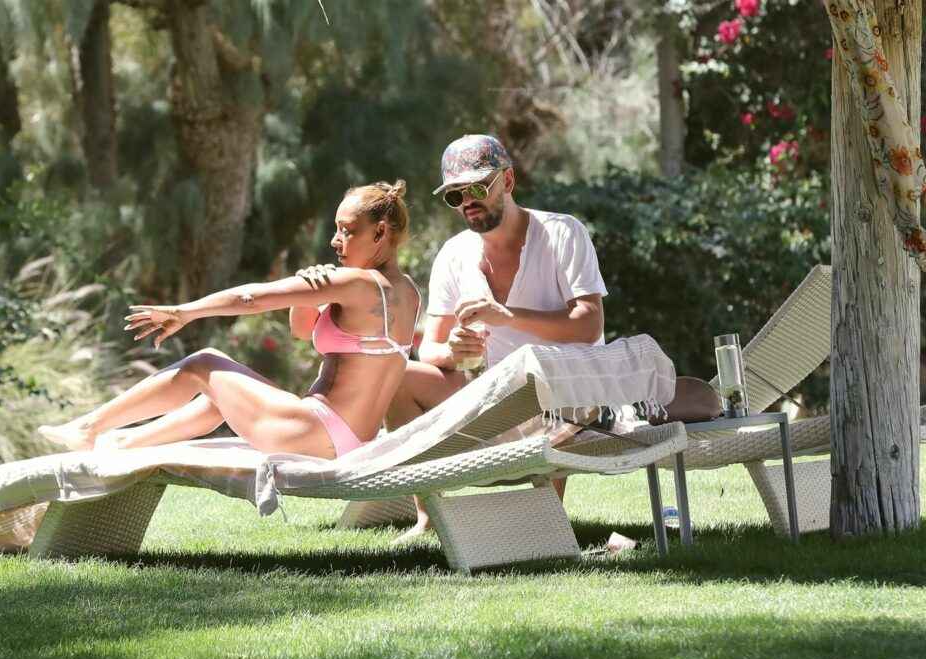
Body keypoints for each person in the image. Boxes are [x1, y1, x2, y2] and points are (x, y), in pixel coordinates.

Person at [38, 180, 421, 460]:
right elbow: (303, 331)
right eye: (336, 229)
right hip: (350, 439)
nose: (335, 241)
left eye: (347, 231)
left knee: (204, 364)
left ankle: (89, 427)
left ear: (380, 232)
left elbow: (250, 298)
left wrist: (185, 312)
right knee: (217, 398)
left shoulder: (354, 283)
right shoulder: (409, 292)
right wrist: (309, 292)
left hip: (316, 431)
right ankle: (121, 445)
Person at [387, 134, 607, 540]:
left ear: (507, 180)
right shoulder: (454, 254)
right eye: (455, 196)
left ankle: (544, 516)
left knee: (544, 378)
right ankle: (428, 516)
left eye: (476, 188)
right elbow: (429, 347)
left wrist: (507, 317)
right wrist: (453, 352)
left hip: (561, 394)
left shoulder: (562, 233)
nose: (467, 202)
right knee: (396, 375)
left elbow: (589, 324)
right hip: (485, 390)